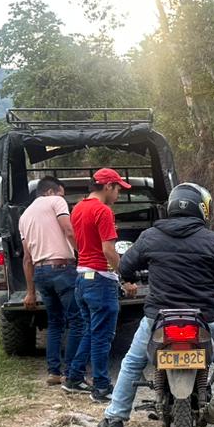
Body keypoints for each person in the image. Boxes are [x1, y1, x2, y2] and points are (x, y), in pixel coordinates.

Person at [97, 183, 214, 427]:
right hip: (204, 318)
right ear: (201, 209)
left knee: (132, 362)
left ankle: (114, 419)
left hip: (158, 317)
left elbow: (125, 267)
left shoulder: (150, 236)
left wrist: (134, 275)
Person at [65, 167, 129, 401]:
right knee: (102, 336)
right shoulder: (103, 211)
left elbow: (73, 237)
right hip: (101, 279)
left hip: (82, 277)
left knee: (91, 331)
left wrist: (84, 254)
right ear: (108, 186)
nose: (118, 195)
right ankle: (101, 387)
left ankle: (74, 377)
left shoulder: (78, 208)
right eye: (118, 189)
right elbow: (108, 250)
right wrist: (125, 275)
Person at [19, 176, 82, 386]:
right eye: (61, 194)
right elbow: (69, 230)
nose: (64, 199)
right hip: (62, 269)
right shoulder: (56, 201)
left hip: (40, 273)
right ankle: (71, 372)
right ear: (50, 191)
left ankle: (54, 372)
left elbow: (27, 258)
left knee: (55, 322)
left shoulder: (24, 216)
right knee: (77, 321)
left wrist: (30, 292)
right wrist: (84, 253)